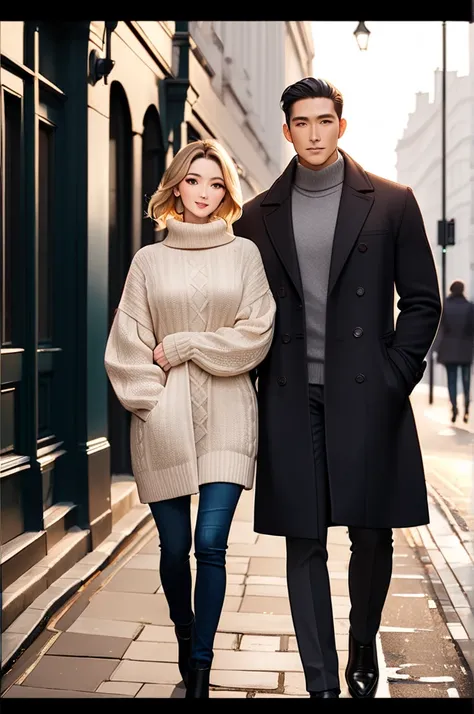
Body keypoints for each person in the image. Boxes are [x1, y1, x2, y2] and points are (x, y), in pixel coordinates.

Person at [233, 77, 442, 699]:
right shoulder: (255, 216)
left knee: (373, 533)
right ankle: (322, 681)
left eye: (325, 121)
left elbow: (423, 303)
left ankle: (359, 646)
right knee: (304, 538)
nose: (315, 132)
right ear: (287, 129)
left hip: (366, 395)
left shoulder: (392, 202)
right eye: (302, 122)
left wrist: (392, 376)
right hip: (292, 397)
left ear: (341, 126)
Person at [104, 139, 276, 698]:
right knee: (174, 550)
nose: (205, 192)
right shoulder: (148, 260)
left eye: (216, 183)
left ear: (227, 192)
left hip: (230, 415)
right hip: (163, 421)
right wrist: (153, 404)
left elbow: (256, 335)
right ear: (177, 186)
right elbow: (128, 345)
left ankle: (200, 672)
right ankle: (185, 637)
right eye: (195, 181)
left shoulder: (244, 254)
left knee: (211, 544)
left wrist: (184, 345)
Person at [434, 279, 474, 423]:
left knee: (451, 380)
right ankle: (467, 407)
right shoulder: (469, 307)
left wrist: (436, 348)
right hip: (465, 350)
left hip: (449, 350)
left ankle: (454, 406)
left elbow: (441, 330)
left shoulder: (447, 306)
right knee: (466, 380)